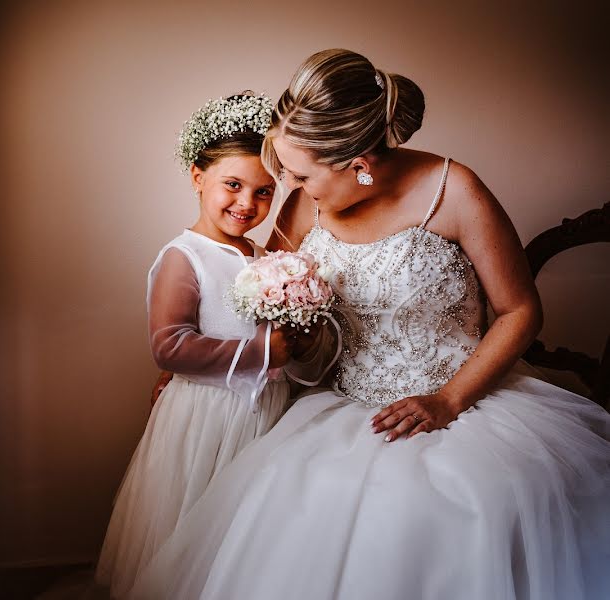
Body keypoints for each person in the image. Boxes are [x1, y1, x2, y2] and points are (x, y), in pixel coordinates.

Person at [127, 49, 610, 599]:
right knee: (303, 503)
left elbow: (521, 311)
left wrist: (448, 400)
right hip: (341, 406)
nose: (287, 185)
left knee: (475, 502)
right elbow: (267, 293)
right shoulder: (308, 206)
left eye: (299, 173)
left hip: (464, 400)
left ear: (357, 160)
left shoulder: (454, 191)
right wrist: (204, 368)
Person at [95, 93, 302, 598]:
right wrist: (264, 352)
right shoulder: (183, 256)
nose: (246, 204)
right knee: (194, 525)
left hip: (263, 409)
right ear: (197, 177)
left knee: (244, 531)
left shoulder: (262, 254)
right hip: (208, 416)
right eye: (233, 185)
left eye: (263, 192)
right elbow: (169, 346)